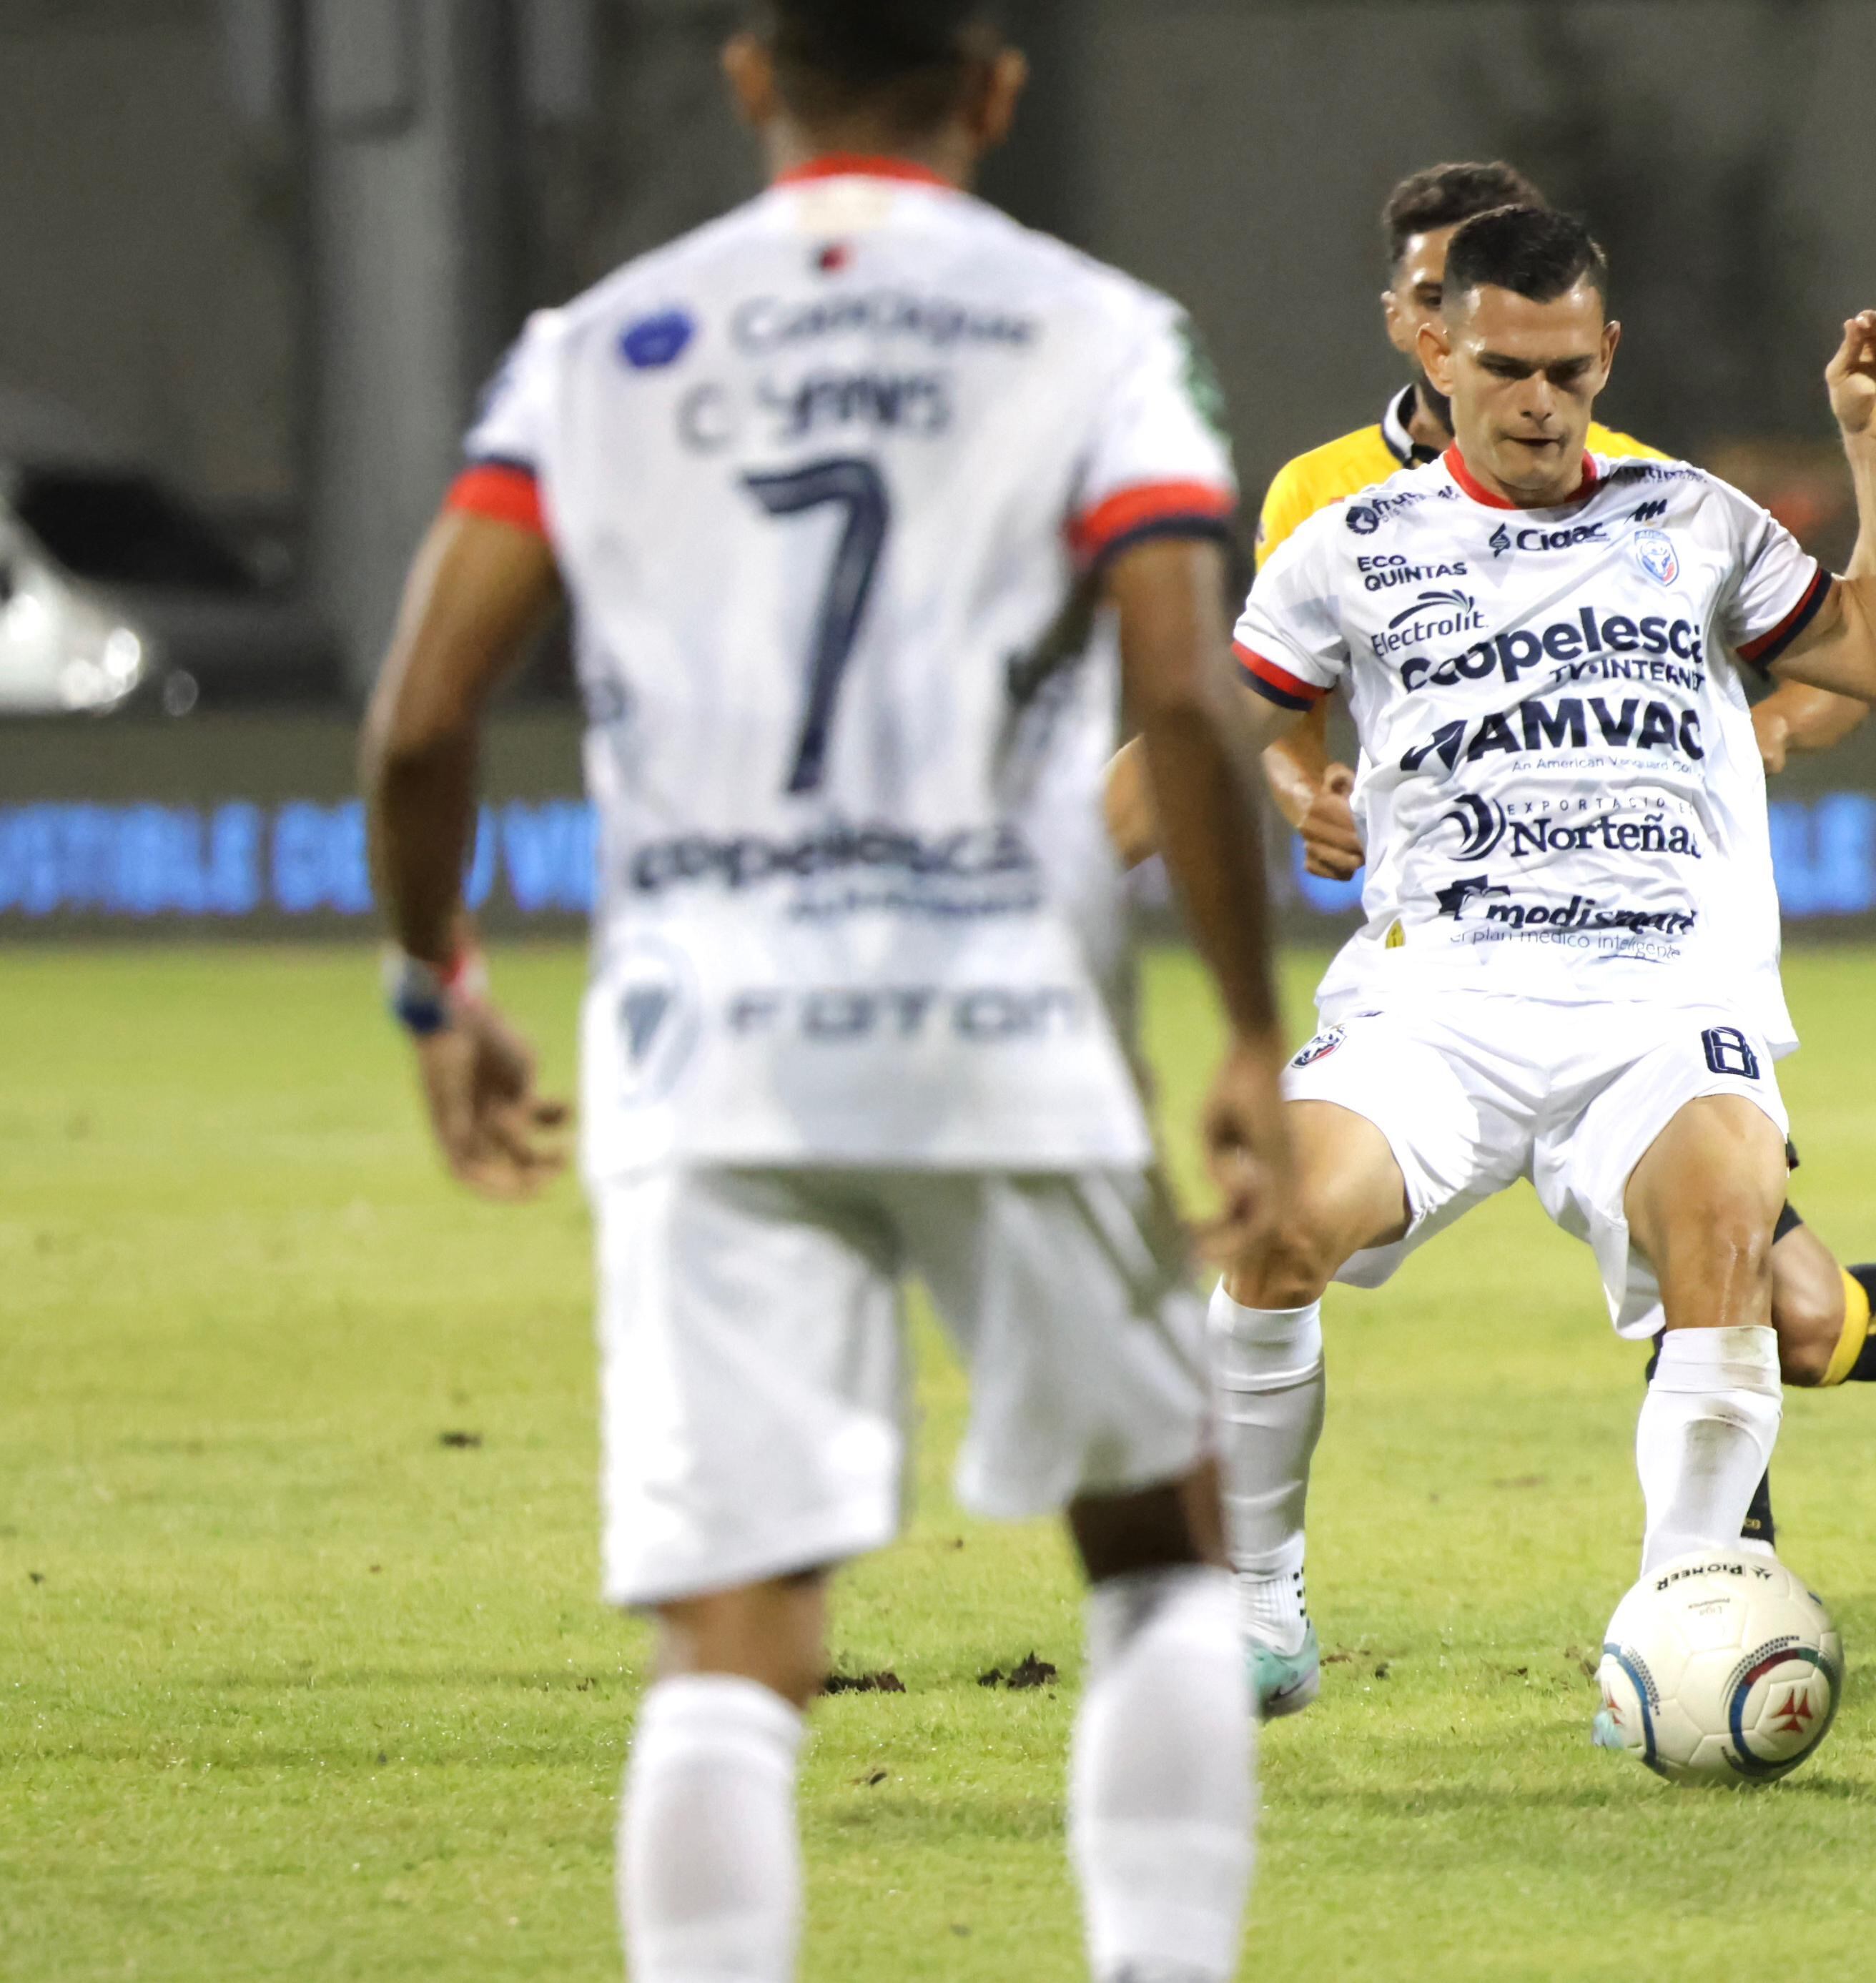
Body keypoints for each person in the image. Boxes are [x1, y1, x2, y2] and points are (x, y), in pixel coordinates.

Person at [356, 5, 1291, 1977]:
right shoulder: (1098, 330)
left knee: (736, 1629)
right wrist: (1244, 1024)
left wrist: (438, 981)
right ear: (997, 88)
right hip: (1004, 1031)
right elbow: (1187, 690)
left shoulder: (594, 349)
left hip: (708, 1042)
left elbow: (423, 717)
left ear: (749, 70)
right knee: (1160, 1549)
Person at [1112, 175, 1876, 1716]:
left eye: (1571, 371)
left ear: (1605, 352)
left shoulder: (1691, 519)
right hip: (1439, 1005)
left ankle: (1679, 1616)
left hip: (1663, 1005)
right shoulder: (1348, 542)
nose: (1542, 406)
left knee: (1737, 1250)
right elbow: (1200, 740)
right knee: (1271, 1230)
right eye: (1506, 372)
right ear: (1438, 356)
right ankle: (1261, 1609)